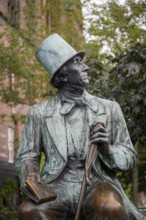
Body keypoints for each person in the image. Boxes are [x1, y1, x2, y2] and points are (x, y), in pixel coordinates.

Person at [15, 34, 146, 220]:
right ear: (62, 74)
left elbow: (129, 156)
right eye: (77, 62)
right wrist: (31, 174)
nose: (86, 66)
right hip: (56, 185)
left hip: (97, 182)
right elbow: (27, 154)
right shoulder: (39, 112)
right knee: (29, 211)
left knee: (108, 205)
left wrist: (107, 149)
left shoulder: (109, 108)